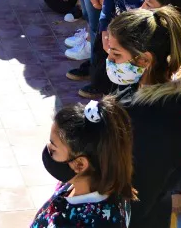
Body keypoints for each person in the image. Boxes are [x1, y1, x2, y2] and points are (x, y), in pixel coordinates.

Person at [101, 7, 181, 228]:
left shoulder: (151, 121)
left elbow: (142, 192)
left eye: (116, 54)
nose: (110, 60)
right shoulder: (140, 87)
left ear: (144, 60)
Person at [34, 95, 135, 228]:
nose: (47, 151)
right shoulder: (81, 183)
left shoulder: (88, 222)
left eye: (53, 150)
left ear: (79, 164)